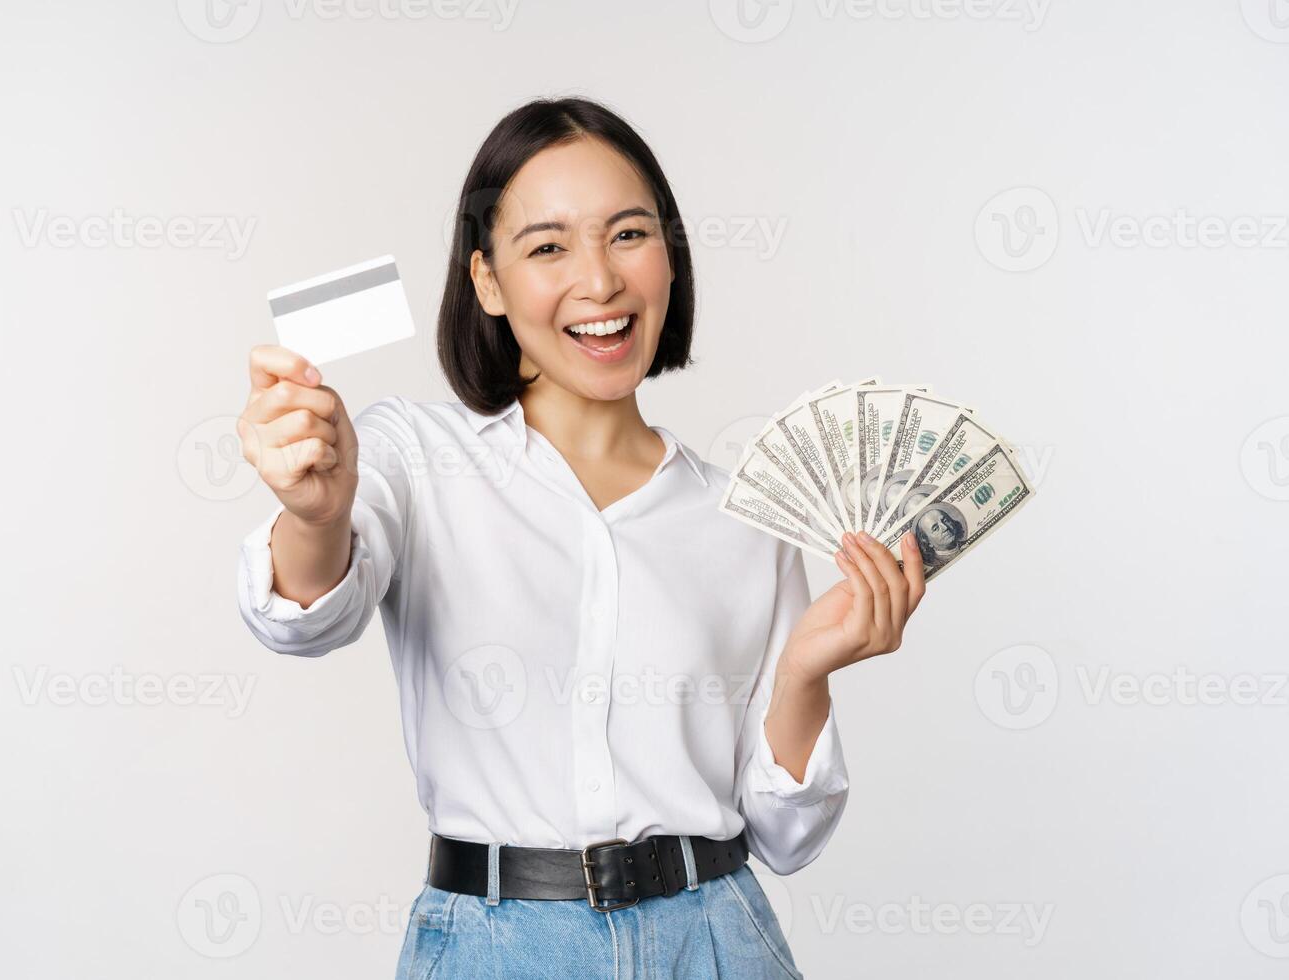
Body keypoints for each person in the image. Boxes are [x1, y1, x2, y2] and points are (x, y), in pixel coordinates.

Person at [235, 96, 927, 979]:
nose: (599, 282)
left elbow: (789, 839)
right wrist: (315, 515)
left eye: (629, 234)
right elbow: (302, 619)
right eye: (549, 246)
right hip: (495, 950)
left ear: (669, 259)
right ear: (487, 280)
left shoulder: (745, 520)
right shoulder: (414, 455)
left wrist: (804, 673)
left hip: (716, 940)